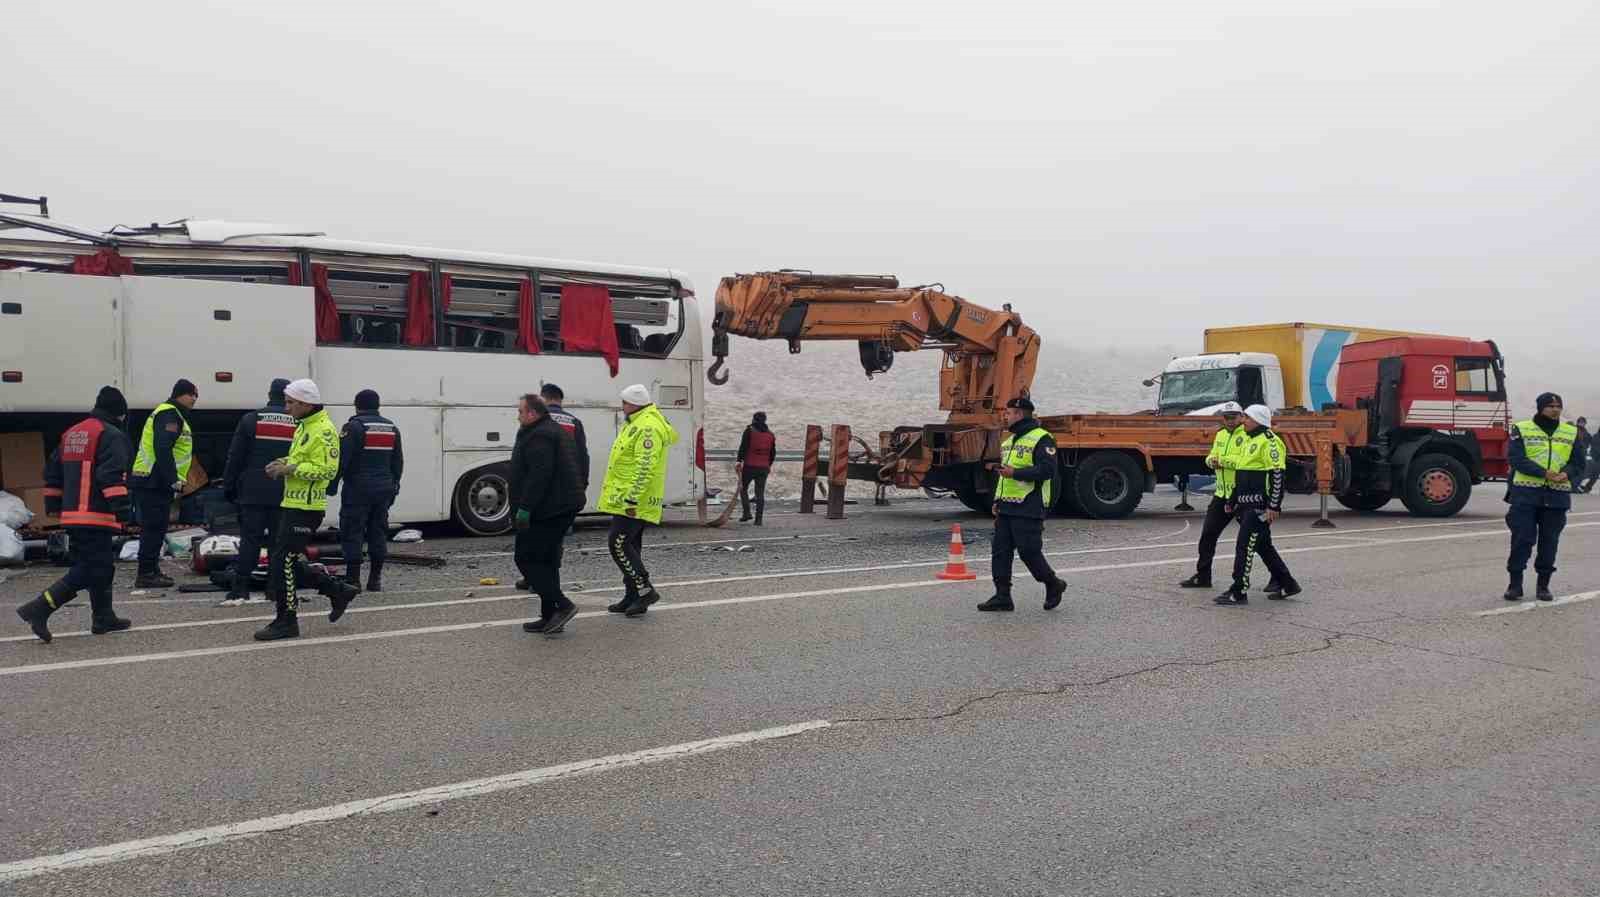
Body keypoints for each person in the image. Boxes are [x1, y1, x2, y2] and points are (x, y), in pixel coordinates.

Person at [16, 387, 135, 642]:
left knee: (101, 566)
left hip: (73, 514)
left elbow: (52, 472)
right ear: (120, 413)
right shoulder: (112, 435)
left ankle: (103, 617)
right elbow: (110, 476)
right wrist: (124, 511)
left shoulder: (73, 432)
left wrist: (53, 507)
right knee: (92, 569)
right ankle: (39, 608)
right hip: (96, 514)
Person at [254, 379, 361, 641]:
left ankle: (287, 620)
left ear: (305, 403)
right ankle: (337, 590)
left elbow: (328, 470)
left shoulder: (324, 431)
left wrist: (291, 469)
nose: (286, 408)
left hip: (308, 507)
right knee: (285, 561)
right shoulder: (304, 426)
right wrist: (284, 461)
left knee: (282, 563)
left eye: (291, 403)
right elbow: (305, 460)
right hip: (293, 504)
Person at [977, 396, 1067, 612]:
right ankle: (1002, 596)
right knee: (1000, 552)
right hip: (1007, 506)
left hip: (1030, 504)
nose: (1004, 416)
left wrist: (1015, 473)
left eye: (1008, 413)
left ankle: (1053, 584)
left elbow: (1047, 471)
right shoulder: (1009, 441)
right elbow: (1004, 476)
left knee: (1029, 552)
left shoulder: (1042, 438)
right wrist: (997, 500)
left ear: (1019, 414)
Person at [598, 383, 678, 617]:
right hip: (626, 498)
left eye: (624, 402)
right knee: (631, 545)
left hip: (633, 501)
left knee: (618, 544)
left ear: (633, 404)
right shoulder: (636, 423)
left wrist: (632, 499)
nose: (622, 406)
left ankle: (645, 591)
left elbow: (645, 466)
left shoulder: (647, 427)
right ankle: (633, 596)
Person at [511, 394, 585, 636]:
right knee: (547, 560)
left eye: (521, 411)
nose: (518, 415)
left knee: (526, 558)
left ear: (532, 413)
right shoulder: (548, 429)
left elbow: (538, 476)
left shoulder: (540, 435)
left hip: (549, 509)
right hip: (558, 505)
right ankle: (549, 615)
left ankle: (562, 606)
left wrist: (525, 509)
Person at [1502, 393, 1585, 601]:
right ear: (1540, 408)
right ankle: (1515, 584)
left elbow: (1578, 463)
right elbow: (1516, 459)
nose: (1555, 409)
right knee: (1522, 539)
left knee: (1550, 542)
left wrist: (1567, 473)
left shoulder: (1571, 432)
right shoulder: (1522, 429)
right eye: (1550, 406)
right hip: (1525, 494)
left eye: (1558, 406)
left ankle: (1543, 586)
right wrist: (1544, 473)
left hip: (1557, 496)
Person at [1214, 404, 1300, 605]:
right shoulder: (1247, 439)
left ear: (1258, 420)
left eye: (1247, 418)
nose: (1243, 421)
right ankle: (1288, 584)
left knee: (1244, 547)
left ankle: (1239, 591)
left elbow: (1277, 475)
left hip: (1260, 507)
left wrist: (1274, 506)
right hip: (1244, 504)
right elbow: (1241, 474)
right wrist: (1232, 500)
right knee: (1264, 546)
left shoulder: (1271, 443)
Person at [218, 378, 294, 605]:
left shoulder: (251, 419)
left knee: (250, 539)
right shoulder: (298, 423)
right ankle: (274, 588)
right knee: (278, 542)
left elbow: (235, 457)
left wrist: (229, 485)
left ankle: (240, 588)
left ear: (269, 394)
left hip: (252, 491)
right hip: (284, 491)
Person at [329, 389, 403, 593]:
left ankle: (353, 580)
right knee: (378, 531)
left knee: (352, 531)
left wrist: (332, 485)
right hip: (384, 489)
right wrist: (394, 486)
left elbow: (342, 460)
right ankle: (375, 580)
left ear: (356, 405)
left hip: (358, 489)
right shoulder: (391, 428)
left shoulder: (353, 427)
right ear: (377, 405)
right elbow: (397, 462)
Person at [129, 378, 198, 589]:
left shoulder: (171, 413)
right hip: (154, 480)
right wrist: (173, 480)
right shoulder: (169, 414)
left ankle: (151, 570)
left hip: (152, 479)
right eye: (192, 394)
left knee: (156, 528)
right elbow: (163, 447)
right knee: (154, 528)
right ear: (181, 394)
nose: (195, 399)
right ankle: (147, 573)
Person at [1179, 402, 1246, 589]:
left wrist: (1222, 461)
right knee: (1208, 535)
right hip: (1221, 493)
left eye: (1234, 417)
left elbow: (1244, 461)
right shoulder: (1221, 434)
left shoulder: (1247, 435)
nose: (1230, 421)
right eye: (1226, 417)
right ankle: (1203, 576)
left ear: (1241, 417)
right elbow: (1211, 456)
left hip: (1240, 494)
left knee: (1257, 540)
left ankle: (1279, 577)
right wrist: (1212, 461)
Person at [736, 411, 776, 525]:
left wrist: (739, 461)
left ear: (754, 419)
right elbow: (773, 453)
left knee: (743, 488)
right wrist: (768, 465)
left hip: (749, 466)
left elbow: (743, 447)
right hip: (763, 468)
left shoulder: (749, 431)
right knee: (760, 494)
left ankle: (747, 513)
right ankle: (759, 520)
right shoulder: (771, 435)